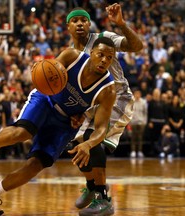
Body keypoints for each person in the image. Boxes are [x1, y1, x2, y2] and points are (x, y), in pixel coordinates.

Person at [0, 37, 117, 216]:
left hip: (65, 123)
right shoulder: (72, 56)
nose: (104, 60)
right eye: (101, 54)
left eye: (109, 58)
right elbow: (47, 70)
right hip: (45, 100)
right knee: (22, 132)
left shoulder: (108, 90)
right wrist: (39, 70)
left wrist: (88, 144)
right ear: (91, 52)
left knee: (36, 165)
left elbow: (101, 128)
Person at [66, 3, 143, 216]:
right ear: (68, 27)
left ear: (89, 24)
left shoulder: (104, 37)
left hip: (117, 98)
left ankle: (103, 199)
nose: (80, 23)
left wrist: (121, 24)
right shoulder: (72, 53)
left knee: (93, 140)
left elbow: (136, 46)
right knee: (75, 143)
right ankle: (92, 186)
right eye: (75, 20)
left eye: (84, 20)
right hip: (93, 104)